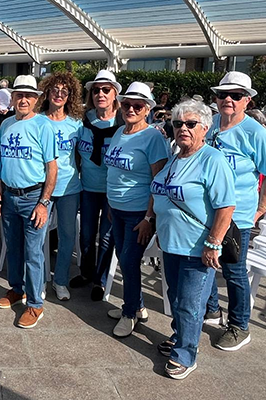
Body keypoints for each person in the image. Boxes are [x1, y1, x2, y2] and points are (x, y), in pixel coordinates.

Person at [151, 99, 236, 379]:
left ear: (205, 128)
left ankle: (185, 355)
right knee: (176, 297)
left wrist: (213, 244)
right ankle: (180, 337)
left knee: (190, 303)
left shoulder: (212, 159)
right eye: (178, 124)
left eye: (190, 124)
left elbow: (226, 206)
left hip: (197, 247)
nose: (183, 129)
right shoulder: (175, 158)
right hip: (171, 243)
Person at [205, 71, 266, 351]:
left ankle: (239, 325)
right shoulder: (210, 123)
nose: (228, 99)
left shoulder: (256, 133)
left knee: (233, 270)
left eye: (236, 95)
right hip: (207, 210)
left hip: (237, 214)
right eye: (223, 94)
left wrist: (261, 208)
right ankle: (212, 309)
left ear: (247, 101)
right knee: (204, 261)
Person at [105, 81, 169, 338]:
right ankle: (137, 306)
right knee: (123, 258)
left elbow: (158, 180)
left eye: (138, 106)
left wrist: (149, 217)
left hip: (138, 213)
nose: (131, 109)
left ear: (147, 109)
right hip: (117, 209)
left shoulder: (153, 137)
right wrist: (111, 204)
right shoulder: (119, 132)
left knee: (130, 262)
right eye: (127, 104)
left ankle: (129, 312)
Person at [0, 75, 58, 329]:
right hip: (9, 196)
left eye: (28, 96)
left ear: (36, 99)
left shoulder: (43, 126)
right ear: (12, 98)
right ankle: (16, 289)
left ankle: (35, 304)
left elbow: (52, 168)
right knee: (13, 247)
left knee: (33, 252)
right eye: (19, 95)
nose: (23, 100)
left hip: (33, 197)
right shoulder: (6, 125)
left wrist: (44, 202)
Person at [71, 69, 122, 301]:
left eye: (106, 90)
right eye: (96, 90)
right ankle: (86, 272)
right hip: (88, 188)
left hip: (111, 191)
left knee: (106, 237)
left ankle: (100, 280)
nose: (100, 94)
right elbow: (76, 153)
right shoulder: (83, 120)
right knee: (86, 234)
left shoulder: (122, 122)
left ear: (114, 94)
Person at [36, 71, 83, 301]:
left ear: (70, 96)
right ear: (47, 92)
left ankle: (60, 280)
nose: (59, 94)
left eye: (65, 91)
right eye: (55, 89)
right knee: (38, 235)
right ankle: (38, 280)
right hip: (42, 187)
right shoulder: (37, 121)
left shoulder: (76, 124)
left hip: (69, 187)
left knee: (67, 235)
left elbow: (82, 154)